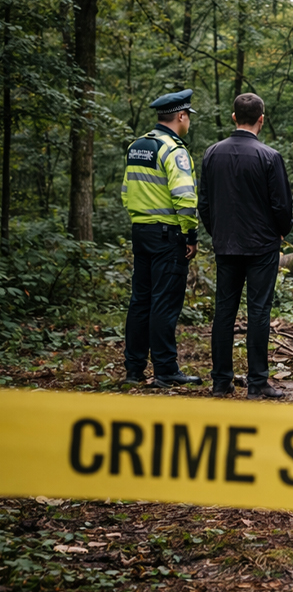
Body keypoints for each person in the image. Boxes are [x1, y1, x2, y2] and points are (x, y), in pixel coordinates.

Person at [199, 93, 293, 398]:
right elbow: (282, 205)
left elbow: (204, 204)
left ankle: (220, 382)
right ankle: (257, 383)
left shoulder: (212, 154)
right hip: (262, 246)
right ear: (261, 119)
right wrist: (281, 232)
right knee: (258, 311)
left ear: (233, 117)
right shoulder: (270, 156)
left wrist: (218, 232)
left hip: (226, 244)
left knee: (224, 311)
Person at [121, 89, 202, 389]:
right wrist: (190, 234)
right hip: (168, 236)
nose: (189, 120)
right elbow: (184, 197)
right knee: (164, 303)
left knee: (140, 301)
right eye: (188, 116)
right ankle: (166, 370)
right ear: (181, 116)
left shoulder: (137, 146)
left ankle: (134, 368)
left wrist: (141, 220)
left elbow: (126, 193)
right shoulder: (175, 151)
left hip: (141, 232)